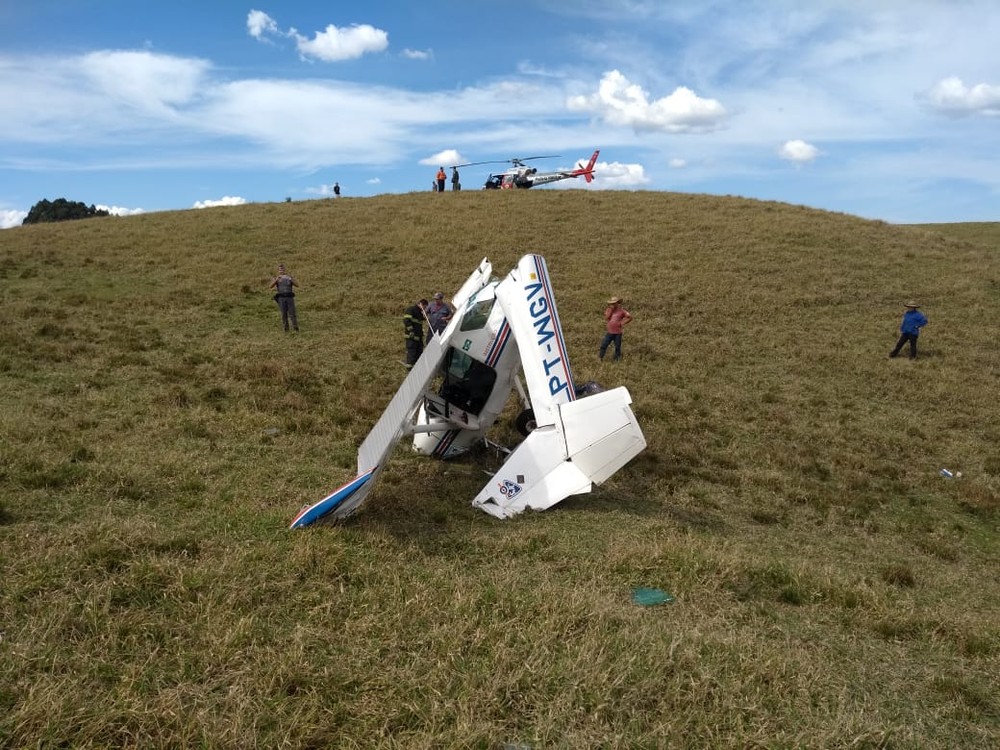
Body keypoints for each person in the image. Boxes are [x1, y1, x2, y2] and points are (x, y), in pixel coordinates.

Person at [599, 296, 633, 361]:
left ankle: (617, 359)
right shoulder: (608, 310)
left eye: (614, 303)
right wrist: (611, 310)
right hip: (610, 332)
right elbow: (607, 318)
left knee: (617, 347)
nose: (613, 304)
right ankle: (600, 357)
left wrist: (622, 323)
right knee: (604, 345)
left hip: (618, 333)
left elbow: (630, 317)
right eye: (612, 303)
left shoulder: (622, 311)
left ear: (617, 303)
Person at [269, 264, 300, 332]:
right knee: (283, 314)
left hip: (289, 297)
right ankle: (286, 329)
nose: (281, 271)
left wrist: (291, 279)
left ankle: (295, 328)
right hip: (281, 298)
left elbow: (297, 285)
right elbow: (270, 286)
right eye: (280, 269)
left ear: (285, 270)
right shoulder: (276, 278)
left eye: (283, 269)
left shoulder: (289, 277)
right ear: (278, 271)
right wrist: (276, 280)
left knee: (292, 313)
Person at [404, 299, 429, 368]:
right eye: (425, 307)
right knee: (412, 351)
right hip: (411, 336)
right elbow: (406, 320)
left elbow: (421, 321)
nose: (424, 308)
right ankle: (409, 367)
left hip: (418, 336)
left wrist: (425, 316)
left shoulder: (419, 312)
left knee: (419, 351)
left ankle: (417, 367)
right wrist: (411, 330)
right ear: (421, 304)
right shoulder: (411, 309)